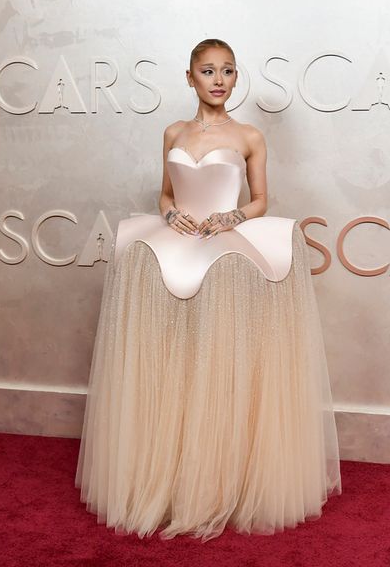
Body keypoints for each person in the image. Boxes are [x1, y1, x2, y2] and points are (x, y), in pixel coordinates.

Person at [75, 38, 342, 541]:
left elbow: (262, 199)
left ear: (235, 78)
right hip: (177, 240)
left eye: (227, 71)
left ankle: (220, 480)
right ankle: (170, 476)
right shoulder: (172, 132)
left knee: (221, 359)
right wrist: (168, 212)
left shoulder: (249, 136)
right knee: (171, 357)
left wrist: (233, 216)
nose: (218, 80)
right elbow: (165, 192)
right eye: (207, 71)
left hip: (224, 243)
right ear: (190, 77)